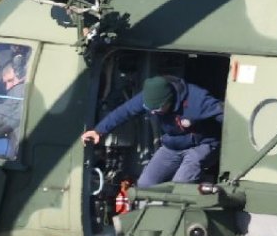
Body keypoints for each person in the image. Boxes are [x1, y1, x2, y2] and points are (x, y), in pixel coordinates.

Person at [81, 75, 223, 187]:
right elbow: (124, 112)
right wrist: (99, 130)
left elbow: (228, 116)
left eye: (158, 109)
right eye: (150, 110)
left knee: (181, 185)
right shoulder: (149, 98)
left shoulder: (198, 101)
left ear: (169, 100)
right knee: (145, 184)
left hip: (202, 144)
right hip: (173, 145)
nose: (154, 113)